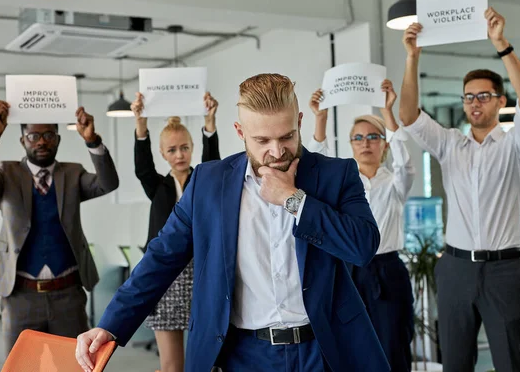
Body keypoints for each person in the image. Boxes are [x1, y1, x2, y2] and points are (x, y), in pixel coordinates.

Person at [75, 73, 390, 372]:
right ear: (240, 132)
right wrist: (109, 324)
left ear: (299, 122)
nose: (277, 151)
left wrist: (294, 199)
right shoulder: (208, 183)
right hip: (242, 354)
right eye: (262, 140)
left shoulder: (336, 174)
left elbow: (363, 246)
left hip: (323, 350)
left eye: (287, 136)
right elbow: (161, 257)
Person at [399, 7, 520, 372]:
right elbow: (408, 115)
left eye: (483, 96)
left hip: (504, 271)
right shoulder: (450, 144)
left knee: (512, 362)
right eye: (468, 97)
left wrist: (502, 45)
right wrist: (412, 57)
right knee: (456, 363)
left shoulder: (518, 147)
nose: (474, 102)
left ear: (500, 101)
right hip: (455, 269)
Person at [0, 101, 120, 354]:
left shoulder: (73, 173)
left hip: (68, 293)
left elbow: (108, 183)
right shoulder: (7, 173)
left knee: (75, 365)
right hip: (20, 295)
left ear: (57, 139)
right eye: (33, 136)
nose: (41, 141)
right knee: (22, 365)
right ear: (22, 140)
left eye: (48, 135)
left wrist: (92, 141)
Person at [307, 79, 415, 371]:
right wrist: (321, 117)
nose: (365, 143)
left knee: (393, 346)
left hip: (387, 271)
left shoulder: (394, 183)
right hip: (347, 272)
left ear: (384, 144)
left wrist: (387, 111)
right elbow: (319, 160)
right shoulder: (341, 185)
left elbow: (405, 163)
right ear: (351, 144)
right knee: (346, 348)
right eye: (358, 138)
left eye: (373, 137)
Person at [131, 91, 220, 372]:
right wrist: (140, 123)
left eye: (184, 147)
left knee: (207, 362)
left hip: (203, 273)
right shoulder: (157, 187)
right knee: (171, 366)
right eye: (172, 150)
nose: (179, 155)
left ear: (192, 147)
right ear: (163, 154)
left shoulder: (204, 180)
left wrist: (209, 122)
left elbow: (213, 161)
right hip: (166, 275)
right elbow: (142, 168)